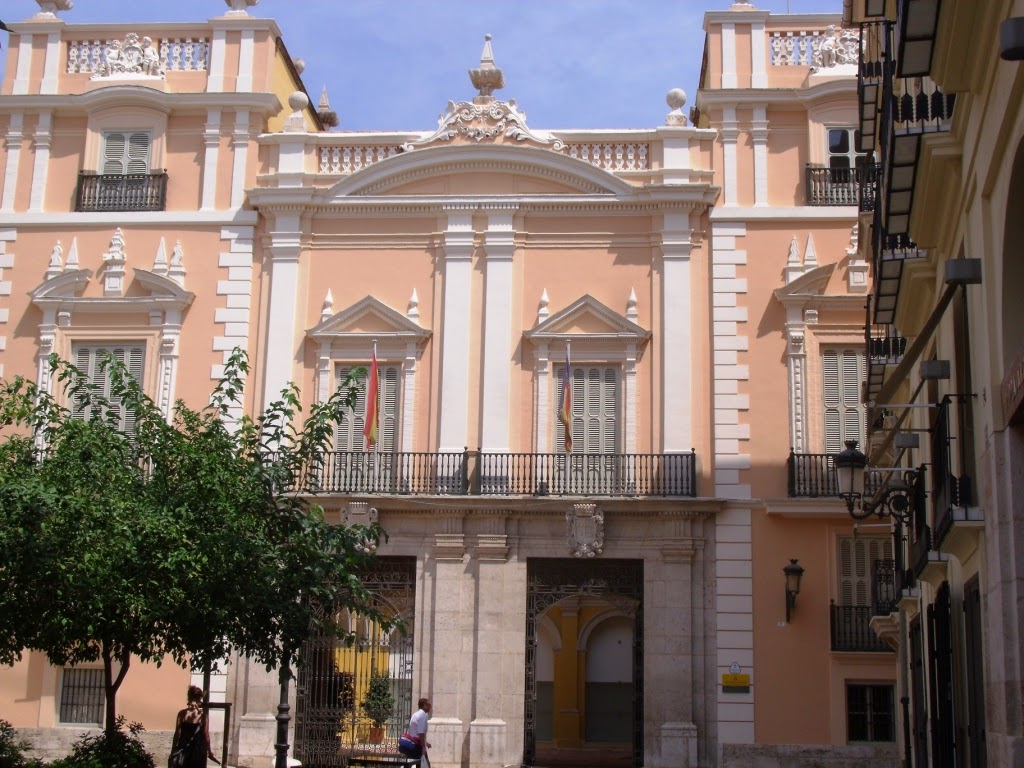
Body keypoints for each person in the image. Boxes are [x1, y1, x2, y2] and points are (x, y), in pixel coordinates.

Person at [170, 685, 217, 767]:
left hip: (183, 750)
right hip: (198, 751)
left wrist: (173, 750)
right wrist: (209, 751)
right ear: (199, 699)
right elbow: (206, 735)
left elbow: (177, 734)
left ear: (189, 698)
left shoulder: (182, 714)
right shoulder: (203, 716)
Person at [402, 697, 431, 763]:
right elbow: (420, 733)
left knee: (416, 763)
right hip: (417, 745)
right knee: (423, 764)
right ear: (424, 706)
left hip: (412, 743)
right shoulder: (422, 716)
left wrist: (426, 743)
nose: (430, 707)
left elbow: (415, 731)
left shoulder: (416, 714)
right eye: (429, 705)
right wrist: (423, 747)